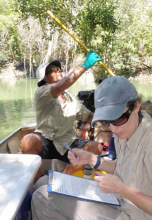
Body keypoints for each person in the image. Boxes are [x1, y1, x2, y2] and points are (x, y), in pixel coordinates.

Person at [31, 76, 152, 220]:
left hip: (135, 213)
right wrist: (93, 161)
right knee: (43, 182)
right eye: (106, 121)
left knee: (41, 197)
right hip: (118, 200)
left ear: (137, 106)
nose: (113, 129)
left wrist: (122, 190)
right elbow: (127, 168)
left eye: (118, 118)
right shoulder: (126, 129)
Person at [20, 50, 103, 179]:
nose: (58, 70)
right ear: (45, 78)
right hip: (45, 139)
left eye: (58, 68)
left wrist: (108, 114)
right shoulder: (41, 92)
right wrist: (85, 65)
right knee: (27, 141)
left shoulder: (71, 98)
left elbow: (87, 117)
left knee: (96, 147)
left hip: (67, 142)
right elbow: (60, 86)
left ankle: (66, 174)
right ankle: (36, 183)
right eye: (52, 69)